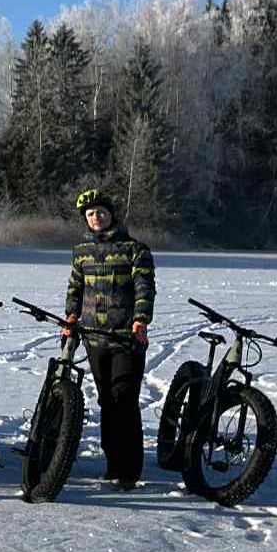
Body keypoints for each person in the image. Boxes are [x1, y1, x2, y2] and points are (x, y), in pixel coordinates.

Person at [64, 187, 155, 489]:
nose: (96, 217)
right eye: (91, 214)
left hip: (126, 338)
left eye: (101, 212)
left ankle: (129, 470)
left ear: (111, 214)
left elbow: (144, 287)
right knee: (106, 401)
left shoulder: (135, 249)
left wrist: (141, 319)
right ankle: (113, 463)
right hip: (94, 338)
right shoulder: (81, 251)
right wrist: (71, 317)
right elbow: (75, 287)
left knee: (124, 400)